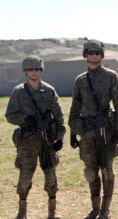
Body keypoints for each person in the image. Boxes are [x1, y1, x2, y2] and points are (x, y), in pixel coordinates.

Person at [69, 39, 118, 219]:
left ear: (102, 55)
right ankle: (95, 208)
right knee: (90, 171)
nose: (94, 55)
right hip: (86, 132)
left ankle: (105, 210)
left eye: (97, 52)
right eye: (91, 52)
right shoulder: (80, 80)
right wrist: (73, 132)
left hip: (105, 131)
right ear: (85, 55)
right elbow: (75, 107)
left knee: (107, 171)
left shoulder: (110, 76)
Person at [5, 55, 66, 219]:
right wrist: (25, 119)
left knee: (51, 176)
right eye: (31, 69)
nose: (34, 72)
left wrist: (60, 139)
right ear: (25, 71)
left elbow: (59, 117)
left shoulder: (49, 90)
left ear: (41, 70)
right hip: (27, 142)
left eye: (37, 69)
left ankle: (53, 211)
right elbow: (10, 115)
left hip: (47, 141)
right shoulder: (18, 92)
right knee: (25, 177)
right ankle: (22, 210)